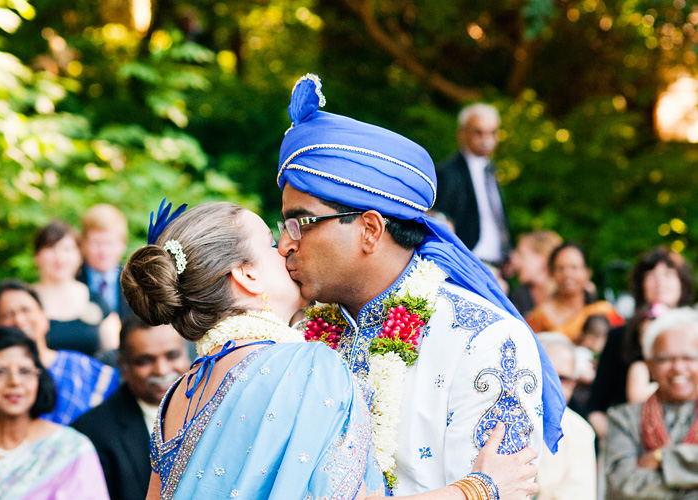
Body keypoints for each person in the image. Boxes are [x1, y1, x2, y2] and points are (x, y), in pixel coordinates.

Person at [122, 200, 539, 500]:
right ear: (247, 275)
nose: (285, 247)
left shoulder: (180, 392)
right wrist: (480, 489)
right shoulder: (304, 366)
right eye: (270, 242)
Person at [276, 74, 564, 496]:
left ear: (370, 230)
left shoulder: (483, 338)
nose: (284, 244)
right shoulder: (298, 335)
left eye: (300, 223)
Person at [73, 314, 189, 500]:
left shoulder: (215, 409)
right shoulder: (92, 432)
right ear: (123, 365)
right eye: (145, 361)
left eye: (172, 356)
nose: (162, 370)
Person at [587, 246, 694, 438]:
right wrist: (617, 441)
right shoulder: (619, 337)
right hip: (630, 436)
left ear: (682, 284)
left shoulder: (695, 334)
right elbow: (595, 408)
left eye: (669, 274)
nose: (660, 282)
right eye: (652, 275)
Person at [0, 326, 110, 500]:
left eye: (25, 371)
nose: (15, 381)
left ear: (39, 378)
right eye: (1, 372)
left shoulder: (70, 448)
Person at [604, 307, 698, 499]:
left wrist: (661, 458)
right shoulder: (623, 419)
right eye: (666, 359)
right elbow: (622, 486)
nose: (678, 367)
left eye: (688, 358)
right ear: (650, 366)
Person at [0, 279, 119, 424]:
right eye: (8, 314)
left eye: (26, 310)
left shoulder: (83, 368)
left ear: (45, 318)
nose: (19, 320)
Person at [433, 103, 509, 266]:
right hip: (468, 261)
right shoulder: (448, 172)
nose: (487, 140)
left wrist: (508, 250)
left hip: (499, 263)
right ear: (462, 134)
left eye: (493, 133)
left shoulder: (491, 171)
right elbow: (439, 219)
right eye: (478, 132)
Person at [33, 220, 120, 356]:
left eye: (66, 249)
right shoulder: (26, 301)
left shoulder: (95, 299)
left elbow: (115, 352)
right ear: (37, 256)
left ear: (79, 256)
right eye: (51, 248)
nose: (59, 257)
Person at [535, 332, 596, 500]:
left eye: (563, 379)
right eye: (546, 374)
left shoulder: (580, 431)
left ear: (573, 384)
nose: (553, 385)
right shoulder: (497, 420)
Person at [525, 242, 624, 341]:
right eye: (561, 268)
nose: (567, 274)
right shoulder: (541, 316)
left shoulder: (603, 310)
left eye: (574, 267)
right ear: (552, 273)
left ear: (587, 273)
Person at [77, 204, 132, 319]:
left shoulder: (135, 282)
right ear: (83, 244)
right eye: (96, 243)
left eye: (110, 243)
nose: (103, 252)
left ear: (123, 244)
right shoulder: (73, 279)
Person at [508, 231, 563, 317]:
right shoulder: (518, 297)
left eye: (522, 254)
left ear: (545, 257)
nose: (514, 261)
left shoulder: (573, 293)